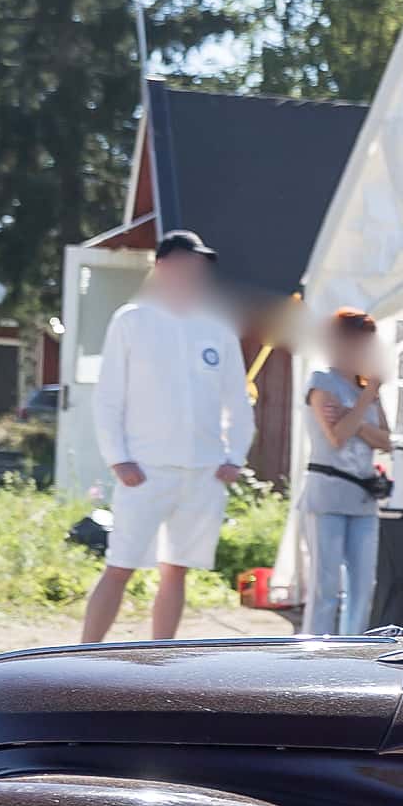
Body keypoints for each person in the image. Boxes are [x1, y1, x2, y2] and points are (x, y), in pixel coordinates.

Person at [79, 232, 254, 646]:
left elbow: (238, 401)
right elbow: (107, 398)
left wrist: (234, 456)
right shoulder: (132, 320)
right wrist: (118, 458)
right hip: (145, 469)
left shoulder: (218, 328)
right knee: (120, 565)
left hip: (204, 473)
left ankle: (160, 659)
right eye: (187, 264)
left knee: (176, 568)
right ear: (162, 267)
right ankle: (83, 654)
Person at [299, 306, 393, 636]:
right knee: (326, 587)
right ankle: (312, 654)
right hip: (327, 493)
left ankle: (351, 652)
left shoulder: (364, 390)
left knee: (363, 586)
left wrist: (352, 415)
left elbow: (386, 440)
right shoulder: (321, 381)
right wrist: (366, 399)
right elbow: (336, 437)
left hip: (363, 497)